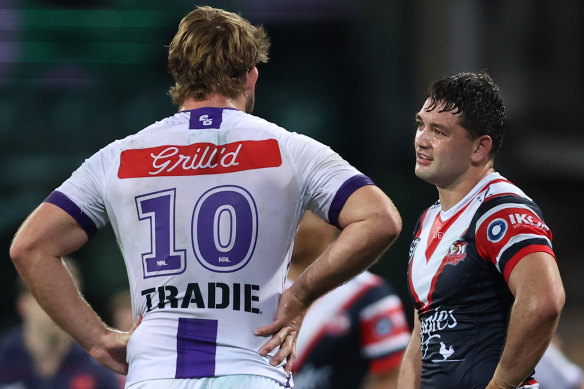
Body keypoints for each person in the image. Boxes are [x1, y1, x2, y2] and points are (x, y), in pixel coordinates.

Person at [9, 6, 402, 389]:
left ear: (176, 75)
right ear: (251, 77)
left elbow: (31, 247)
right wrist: (300, 296)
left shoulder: (120, 158)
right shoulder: (289, 150)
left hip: (155, 374)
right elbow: (379, 219)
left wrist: (96, 338)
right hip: (250, 370)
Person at [397, 71, 565, 389]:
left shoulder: (502, 208)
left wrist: (500, 385)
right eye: (421, 124)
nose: (421, 139)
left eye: (439, 131)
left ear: (479, 148)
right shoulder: (428, 220)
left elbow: (545, 302)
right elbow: (421, 339)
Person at [289, 211, 410, 389]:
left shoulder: (369, 294)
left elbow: (391, 376)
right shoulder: (255, 287)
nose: (289, 226)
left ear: (329, 223)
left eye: (300, 217)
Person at [0, 258, 119, 389]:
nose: (62, 308)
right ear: (24, 304)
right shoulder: (4, 360)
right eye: (50, 296)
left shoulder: (97, 366)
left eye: (72, 299)